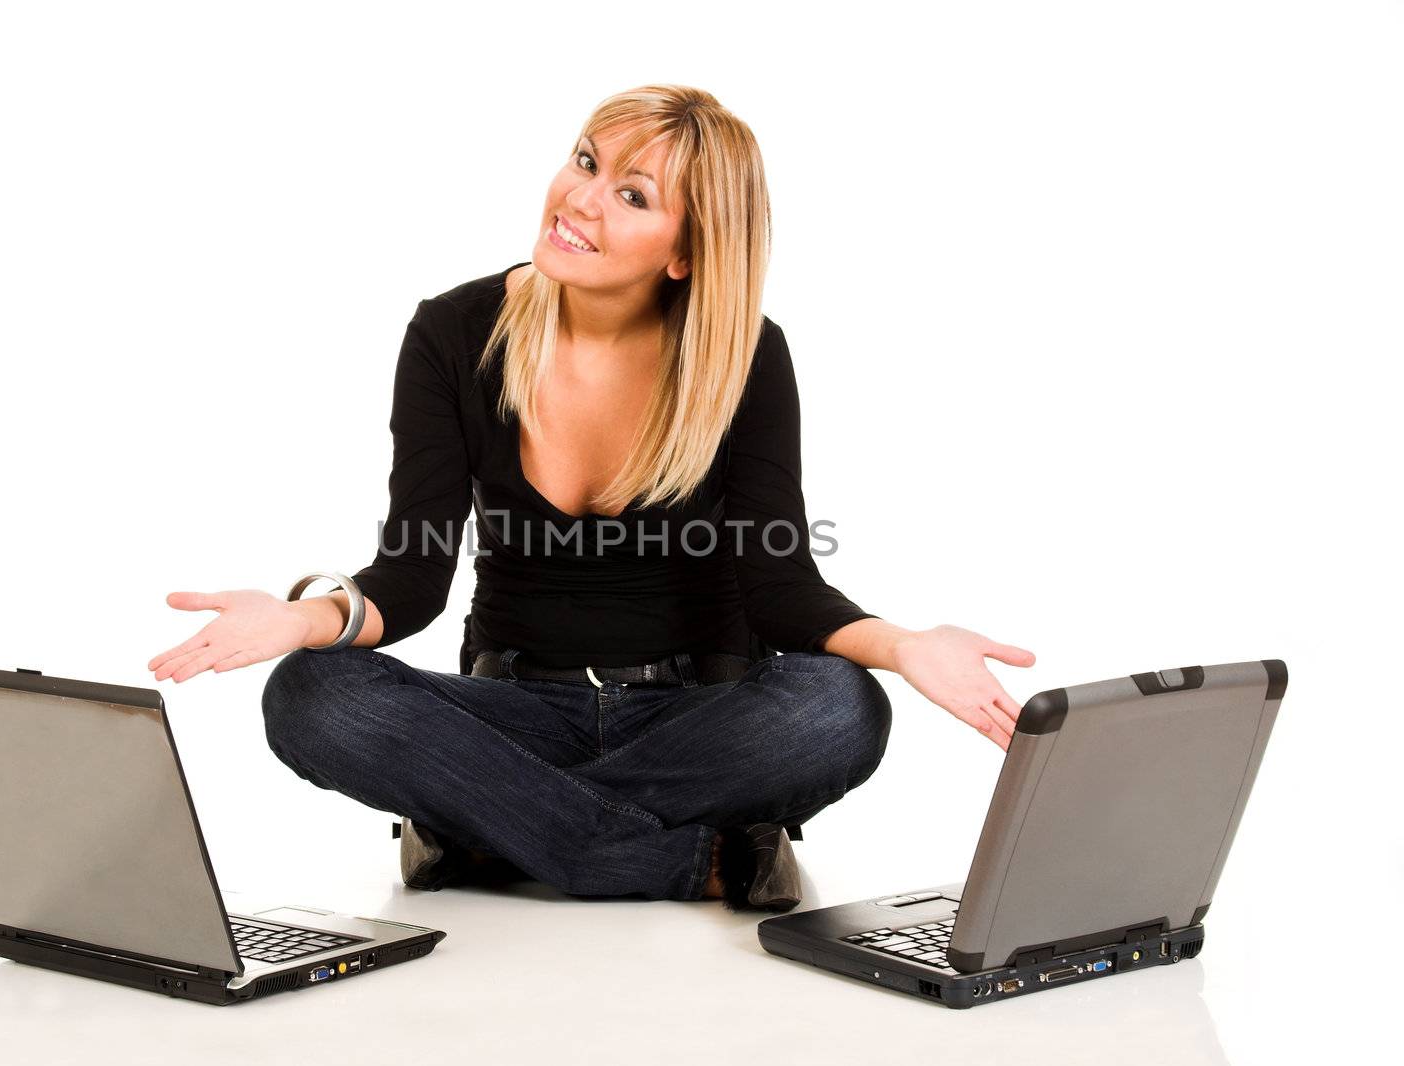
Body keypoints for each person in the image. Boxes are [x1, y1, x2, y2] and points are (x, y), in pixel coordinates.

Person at [146, 85, 1034, 912]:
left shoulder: (746, 356)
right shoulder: (454, 333)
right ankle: (699, 854)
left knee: (840, 707)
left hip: (697, 714)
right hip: (513, 708)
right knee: (312, 697)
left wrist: (909, 646)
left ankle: (487, 825)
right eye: (584, 161)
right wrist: (301, 620)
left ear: (688, 252)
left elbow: (785, 591)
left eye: (633, 195)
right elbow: (413, 576)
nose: (581, 199)